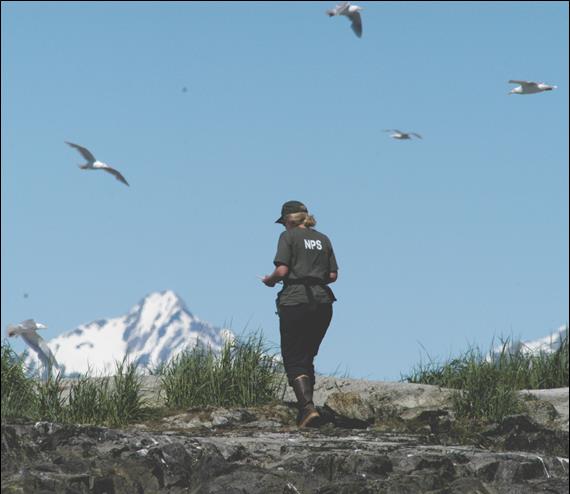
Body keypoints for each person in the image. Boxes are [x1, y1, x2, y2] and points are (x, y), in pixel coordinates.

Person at [261, 200, 338, 427]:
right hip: (323, 302)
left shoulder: (289, 237)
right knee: (307, 356)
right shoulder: (323, 239)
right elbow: (333, 275)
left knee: (294, 357)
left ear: (288, 220)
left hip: (295, 300)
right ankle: (310, 407)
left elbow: (282, 270)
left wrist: (270, 280)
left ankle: (306, 408)